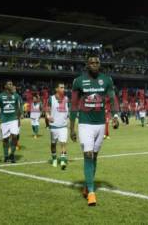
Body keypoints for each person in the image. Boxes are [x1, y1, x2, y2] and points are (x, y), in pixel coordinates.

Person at [70, 56, 118, 206]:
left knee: (94, 157)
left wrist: (116, 115)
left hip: (100, 124)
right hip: (85, 124)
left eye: (97, 62)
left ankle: (87, 185)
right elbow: (73, 105)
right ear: (87, 65)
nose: (95, 64)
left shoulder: (107, 79)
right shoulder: (78, 81)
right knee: (88, 154)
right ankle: (91, 192)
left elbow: (112, 98)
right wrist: (71, 127)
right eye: (92, 62)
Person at [0, 80, 22, 163]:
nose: (11, 85)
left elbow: (18, 108)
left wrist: (19, 119)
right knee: (5, 139)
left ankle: (12, 155)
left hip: (14, 120)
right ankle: (6, 156)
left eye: (12, 84)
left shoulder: (16, 96)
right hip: (4, 120)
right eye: (9, 84)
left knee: (15, 136)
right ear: (5, 86)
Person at [46, 82, 69, 169]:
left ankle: (63, 161)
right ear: (56, 89)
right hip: (54, 126)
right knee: (53, 144)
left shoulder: (66, 98)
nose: (63, 89)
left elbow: (68, 111)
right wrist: (48, 117)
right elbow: (47, 111)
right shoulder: (51, 99)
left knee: (63, 143)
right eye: (61, 87)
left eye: (64, 87)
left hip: (63, 126)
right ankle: (55, 159)